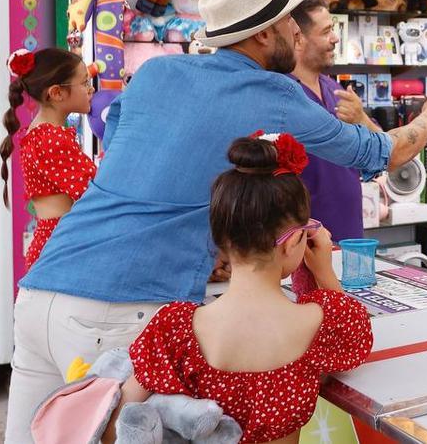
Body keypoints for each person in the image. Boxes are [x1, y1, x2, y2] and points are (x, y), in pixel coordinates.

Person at [4, 0, 427, 441]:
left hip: (41, 293)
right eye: (288, 23)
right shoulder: (270, 91)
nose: (296, 35)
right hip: (119, 306)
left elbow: (120, 143)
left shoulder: (157, 71)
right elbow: (378, 153)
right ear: (264, 35)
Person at [106, 134, 372, 444]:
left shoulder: (175, 329)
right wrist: (325, 272)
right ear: (292, 242)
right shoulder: (325, 322)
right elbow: (353, 337)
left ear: (220, 239)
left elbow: (117, 428)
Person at [290, 0, 380, 241]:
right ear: (298, 38)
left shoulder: (335, 89)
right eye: (327, 31)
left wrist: (361, 118)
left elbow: (382, 152)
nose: (336, 38)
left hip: (351, 241)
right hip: (301, 250)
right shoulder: (281, 95)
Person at [0, 48, 97, 269]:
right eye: (84, 83)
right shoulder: (50, 138)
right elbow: (92, 192)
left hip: (55, 243)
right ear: (56, 93)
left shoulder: (41, 133)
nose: (91, 89)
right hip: (61, 247)